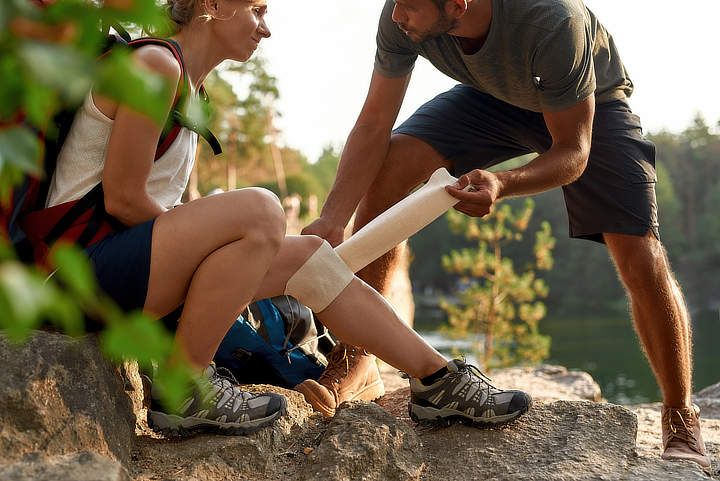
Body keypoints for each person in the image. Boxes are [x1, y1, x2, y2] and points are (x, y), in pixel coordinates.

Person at [45, 0, 532, 437]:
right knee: (260, 210)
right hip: (73, 276)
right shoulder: (154, 66)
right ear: (213, 5)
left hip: (121, 268)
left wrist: (226, 266)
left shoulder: (191, 89)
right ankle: (184, 389)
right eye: (258, 10)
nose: (265, 29)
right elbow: (123, 201)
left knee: (312, 257)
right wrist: (218, 251)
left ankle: (438, 381)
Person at [302, 0, 710, 469]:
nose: (397, 14)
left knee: (640, 254)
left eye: (410, 6)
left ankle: (680, 414)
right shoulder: (403, 14)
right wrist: (334, 216)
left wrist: (504, 182)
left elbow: (573, 153)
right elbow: (374, 123)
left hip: (588, 106)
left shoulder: (554, 22)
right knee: (389, 167)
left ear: (458, 4)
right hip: (490, 100)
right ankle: (358, 359)